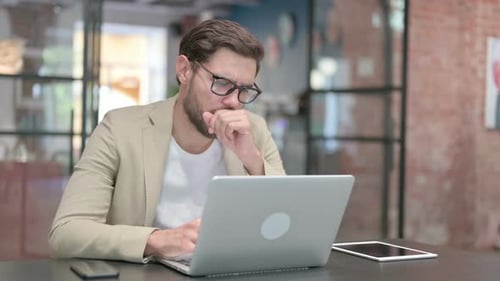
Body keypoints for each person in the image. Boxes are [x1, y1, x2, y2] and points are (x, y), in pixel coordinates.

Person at [49, 19, 286, 263]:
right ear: (184, 71)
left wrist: (253, 162)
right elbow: (67, 232)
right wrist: (155, 241)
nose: (234, 102)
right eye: (222, 83)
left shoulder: (253, 129)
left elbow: (286, 224)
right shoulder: (119, 129)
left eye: (244, 90)